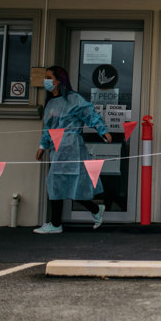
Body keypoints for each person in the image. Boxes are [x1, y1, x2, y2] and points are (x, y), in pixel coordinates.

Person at [33, 65, 111, 234]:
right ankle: (94, 211)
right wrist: (42, 146)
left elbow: (90, 113)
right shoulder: (50, 104)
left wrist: (102, 131)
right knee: (58, 184)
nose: (46, 81)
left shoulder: (73, 99)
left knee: (72, 183)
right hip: (57, 147)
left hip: (71, 147)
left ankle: (57, 223)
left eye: (49, 78)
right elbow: (48, 129)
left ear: (59, 81)